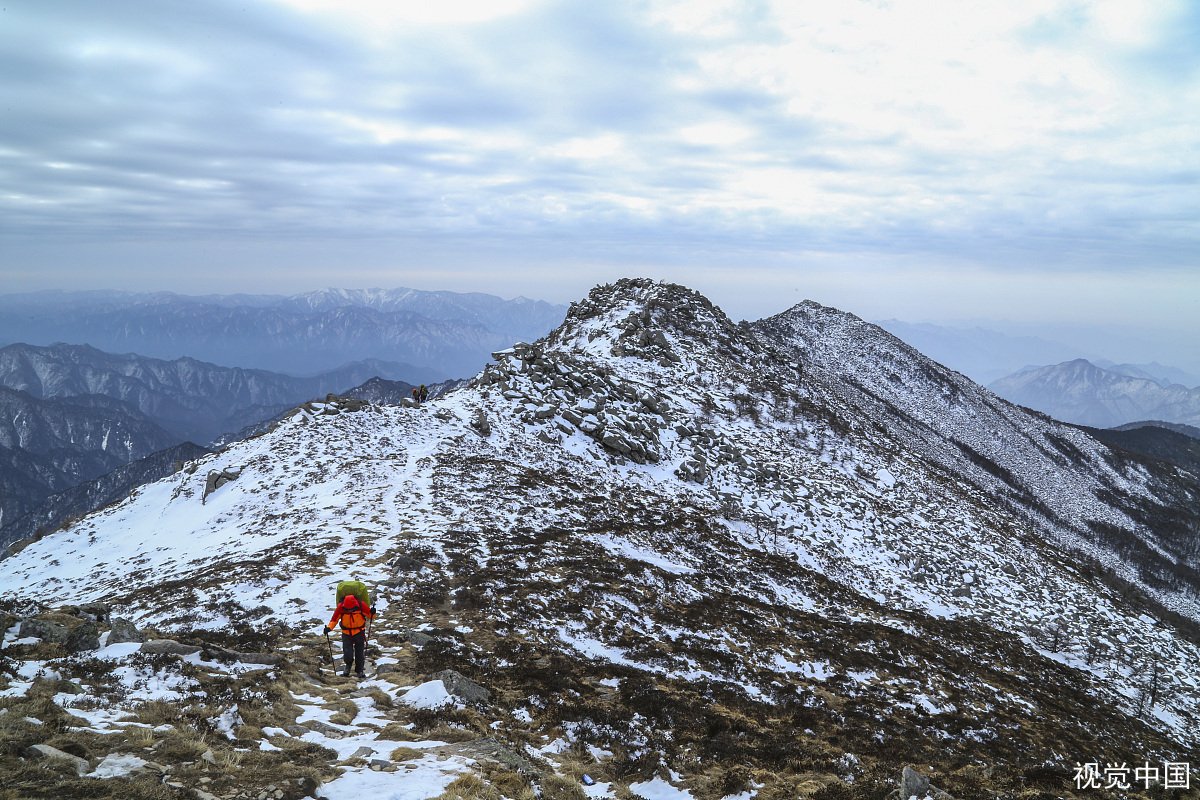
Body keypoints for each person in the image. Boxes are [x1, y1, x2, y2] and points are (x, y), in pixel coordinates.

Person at [326, 593, 375, 678]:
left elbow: (370, 616)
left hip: (359, 632)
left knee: (359, 653)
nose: (350, 610)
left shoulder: (361, 605)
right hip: (346, 633)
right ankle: (348, 667)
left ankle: (359, 671)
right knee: (347, 653)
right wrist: (329, 628)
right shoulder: (341, 607)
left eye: (352, 609)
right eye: (348, 609)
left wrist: (373, 612)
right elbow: (334, 619)